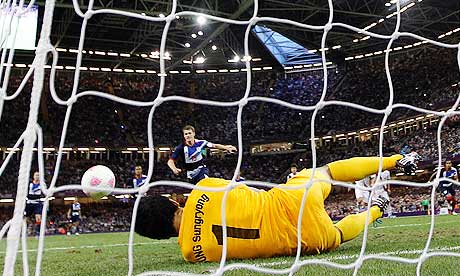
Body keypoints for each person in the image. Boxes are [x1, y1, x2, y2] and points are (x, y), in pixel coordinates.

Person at [136, 153, 417, 262]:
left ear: (160, 236)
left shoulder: (191, 255)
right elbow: (244, 189)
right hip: (293, 198)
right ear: (173, 200)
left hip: (301, 238)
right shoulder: (203, 187)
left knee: (338, 236)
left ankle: (378, 209)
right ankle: (397, 160)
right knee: (329, 172)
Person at [167, 125, 237, 184]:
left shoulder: (201, 143)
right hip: (189, 174)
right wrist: (174, 169)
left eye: (189, 133)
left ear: (194, 133)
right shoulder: (181, 147)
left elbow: (214, 145)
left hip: (201, 169)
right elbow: (170, 161)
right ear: (184, 136)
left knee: (205, 183)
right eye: (186, 134)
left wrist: (226, 147)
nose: (188, 135)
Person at [25, 171, 44, 237]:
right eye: (36, 175)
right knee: (26, 218)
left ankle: (38, 232)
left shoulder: (42, 184)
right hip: (29, 202)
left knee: (38, 217)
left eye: (38, 175)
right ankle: (27, 229)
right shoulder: (29, 183)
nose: (37, 176)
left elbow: (45, 191)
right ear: (33, 176)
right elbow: (29, 190)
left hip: (37, 202)